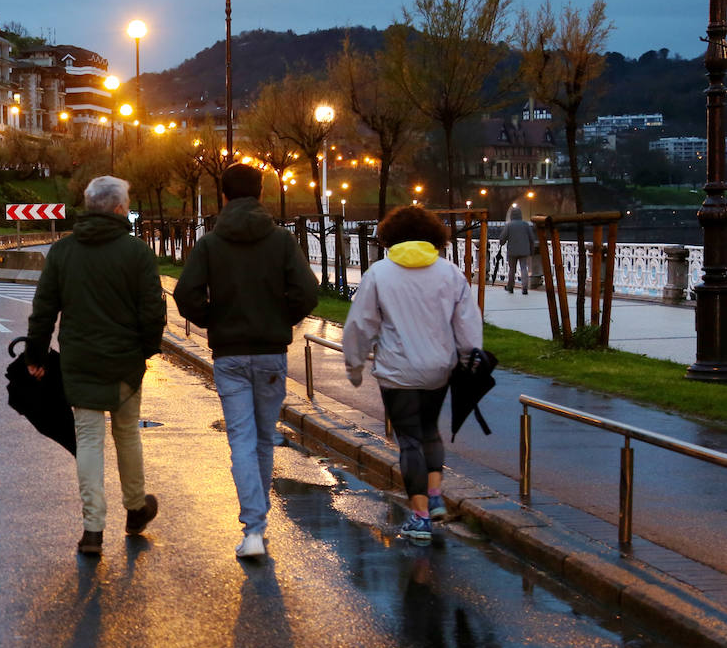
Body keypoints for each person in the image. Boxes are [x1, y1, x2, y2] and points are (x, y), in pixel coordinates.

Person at [172, 164, 320, 559]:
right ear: (261, 194)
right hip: (271, 354)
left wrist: (213, 319)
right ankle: (259, 521)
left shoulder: (210, 243)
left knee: (241, 438)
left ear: (223, 196)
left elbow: (185, 293)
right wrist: (281, 319)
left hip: (230, 354)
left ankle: (253, 529)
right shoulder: (282, 240)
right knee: (264, 437)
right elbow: (308, 292)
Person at [26, 176, 165, 557]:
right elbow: (153, 311)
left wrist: (36, 356)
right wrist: (145, 351)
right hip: (125, 363)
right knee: (127, 434)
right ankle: (135, 509)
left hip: (80, 360)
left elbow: (43, 310)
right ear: (119, 209)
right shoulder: (137, 253)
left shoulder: (63, 252)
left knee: (88, 439)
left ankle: (92, 530)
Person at [342, 206, 484, 543]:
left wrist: (354, 365)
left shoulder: (379, 274)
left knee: (409, 440)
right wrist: (469, 359)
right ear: (434, 236)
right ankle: (434, 496)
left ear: (389, 236)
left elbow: (360, 325)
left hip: (397, 371)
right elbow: (467, 324)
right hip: (439, 369)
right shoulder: (450, 273)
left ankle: (420, 519)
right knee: (430, 430)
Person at [498, 204, 538, 295]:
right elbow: (532, 238)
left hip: (512, 251)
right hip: (524, 250)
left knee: (512, 269)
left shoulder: (509, 225)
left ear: (511, 215)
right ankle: (525, 287)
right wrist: (531, 250)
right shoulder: (525, 225)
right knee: (524, 268)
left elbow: (502, 238)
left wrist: (502, 243)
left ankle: (510, 287)